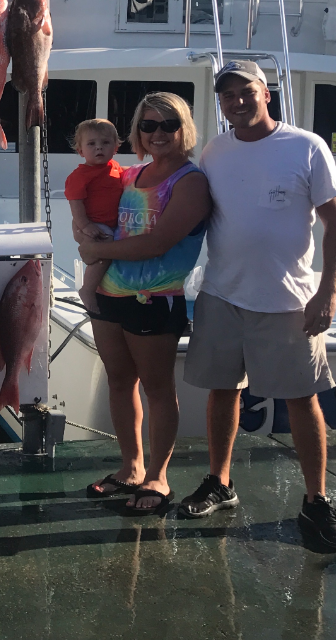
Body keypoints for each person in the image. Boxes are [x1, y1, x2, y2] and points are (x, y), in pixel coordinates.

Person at [179, 60, 336, 551]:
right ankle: (220, 482)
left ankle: (316, 501)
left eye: (245, 91)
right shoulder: (215, 151)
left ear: (266, 93)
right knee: (222, 391)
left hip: (288, 302)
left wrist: (328, 291)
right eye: (227, 95)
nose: (236, 101)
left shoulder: (306, 146)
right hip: (221, 294)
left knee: (303, 398)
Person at [78, 92, 211, 514]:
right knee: (119, 381)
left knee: (157, 389)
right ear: (137, 132)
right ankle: (131, 466)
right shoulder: (130, 175)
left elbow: (157, 243)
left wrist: (96, 253)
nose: (157, 133)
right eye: (148, 125)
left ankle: (158, 475)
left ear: (183, 129)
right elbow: (96, 224)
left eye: (167, 125)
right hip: (109, 295)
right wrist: (87, 239)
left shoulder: (191, 181)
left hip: (156, 298)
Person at [65, 119, 124, 313]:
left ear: (115, 147)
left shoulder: (116, 168)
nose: (99, 147)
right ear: (80, 151)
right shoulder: (80, 176)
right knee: (105, 253)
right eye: (91, 144)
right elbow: (76, 202)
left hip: (113, 223)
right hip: (95, 224)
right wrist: (85, 226)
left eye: (105, 143)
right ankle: (87, 290)